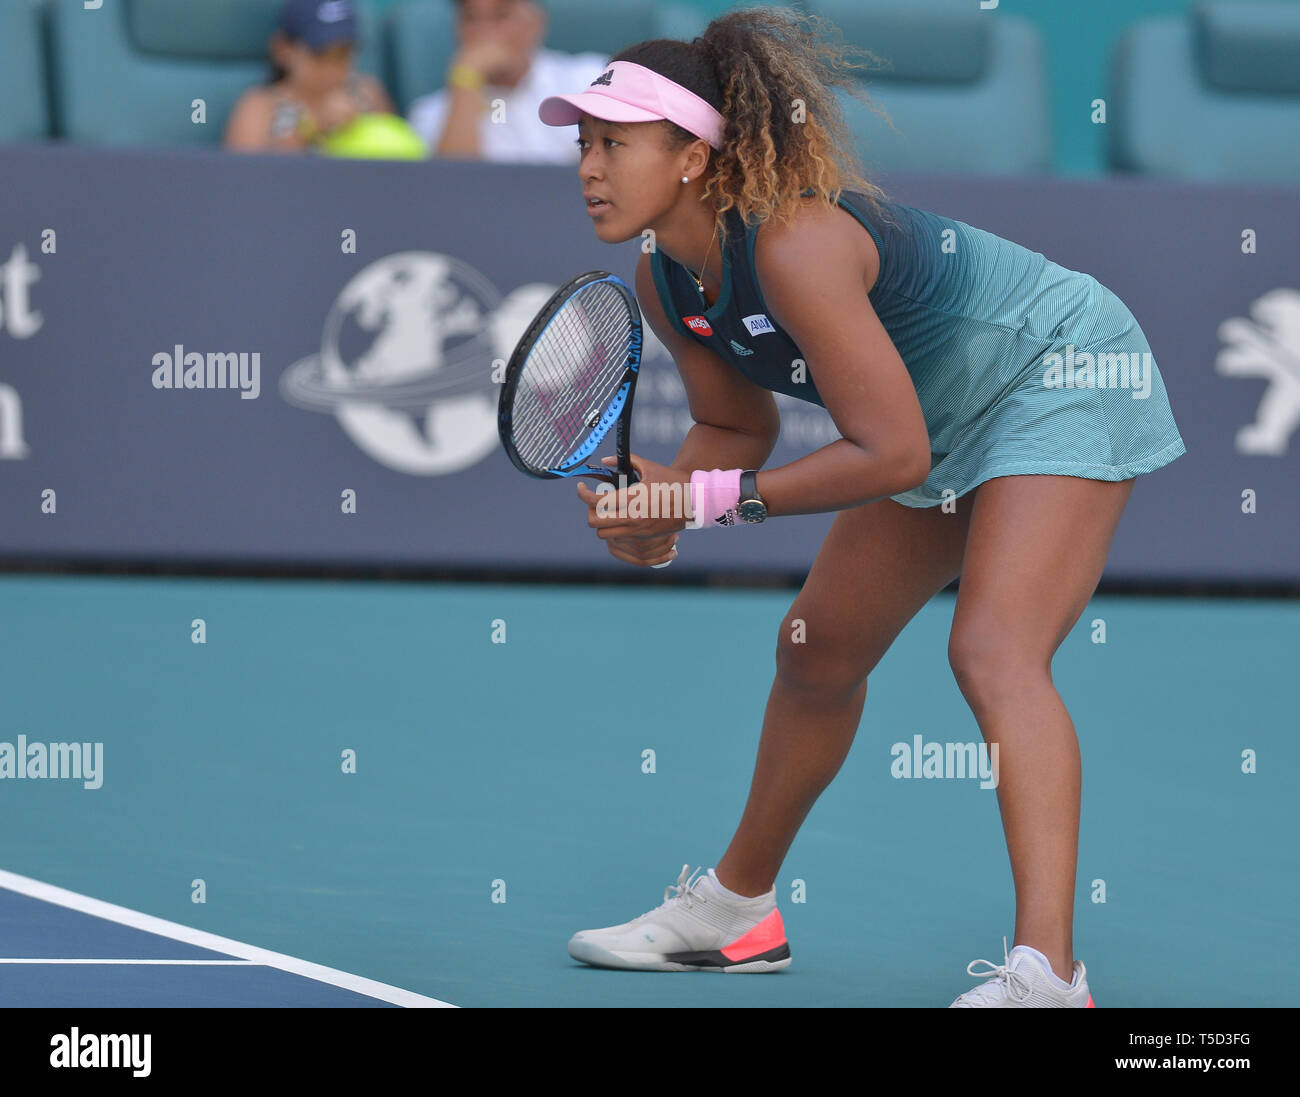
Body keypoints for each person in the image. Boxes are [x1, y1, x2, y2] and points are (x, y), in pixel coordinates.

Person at [540, 7, 1186, 1006]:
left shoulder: (795, 243)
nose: (587, 166)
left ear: (690, 158)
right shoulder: (667, 279)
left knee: (992, 650)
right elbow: (735, 431)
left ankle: (1048, 975)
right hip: (933, 412)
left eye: (613, 144)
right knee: (814, 649)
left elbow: (889, 453)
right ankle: (734, 910)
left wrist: (705, 502)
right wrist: (663, 504)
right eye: (582, 144)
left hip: (1059, 366)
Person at [408, 0, 607, 163]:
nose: (484, 31)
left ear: (536, 22)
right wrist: (466, 77)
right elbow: (452, 187)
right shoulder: (432, 113)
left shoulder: (590, 78)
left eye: (501, 16)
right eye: (470, 18)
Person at [224, 0, 395, 153]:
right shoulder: (260, 106)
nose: (332, 69)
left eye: (343, 54)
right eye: (320, 54)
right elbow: (242, 176)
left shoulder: (367, 94)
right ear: (283, 50)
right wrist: (310, 129)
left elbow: (399, 158)